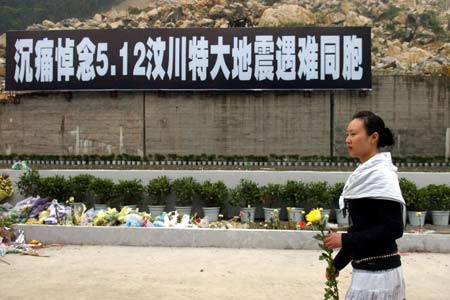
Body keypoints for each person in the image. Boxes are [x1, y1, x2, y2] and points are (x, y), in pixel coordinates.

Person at [323, 111, 406, 300]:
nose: (348, 140)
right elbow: (362, 227)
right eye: (347, 134)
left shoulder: (381, 175)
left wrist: (344, 240)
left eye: (353, 134)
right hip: (366, 273)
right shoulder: (364, 175)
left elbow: (394, 229)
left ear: (373, 137)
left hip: (380, 277)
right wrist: (338, 263)